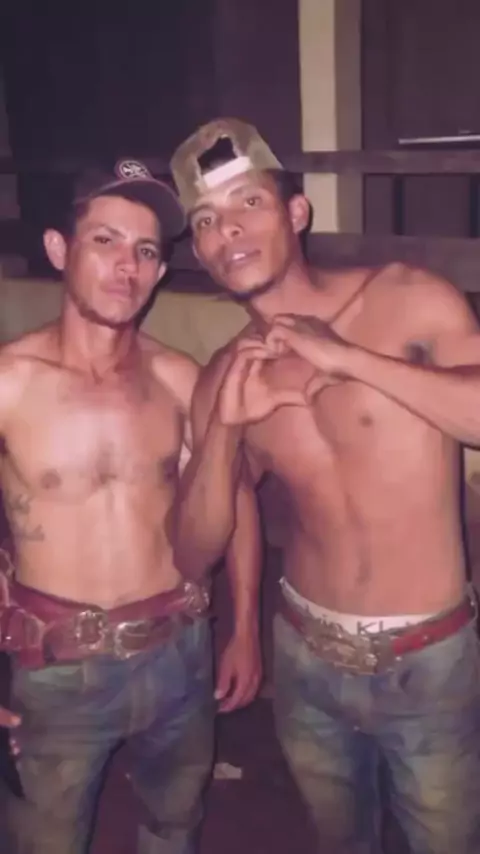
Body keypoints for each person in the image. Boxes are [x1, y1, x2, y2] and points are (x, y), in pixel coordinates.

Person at [169, 118, 480, 854]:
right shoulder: (224, 376)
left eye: (248, 203)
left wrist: (349, 360)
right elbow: (191, 551)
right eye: (205, 220)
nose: (227, 230)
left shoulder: (407, 299)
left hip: (428, 660)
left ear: (297, 212)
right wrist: (224, 433)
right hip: (306, 659)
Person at [0, 158, 262, 854]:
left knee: (174, 826)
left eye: (146, 250)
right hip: (56, 665)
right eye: (105, 241)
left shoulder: (179, 378)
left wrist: (243, 629)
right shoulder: (11, 380)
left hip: (179, 652)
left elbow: (235, 497)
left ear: (161, 269)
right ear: (58, 249)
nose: (128, 266)